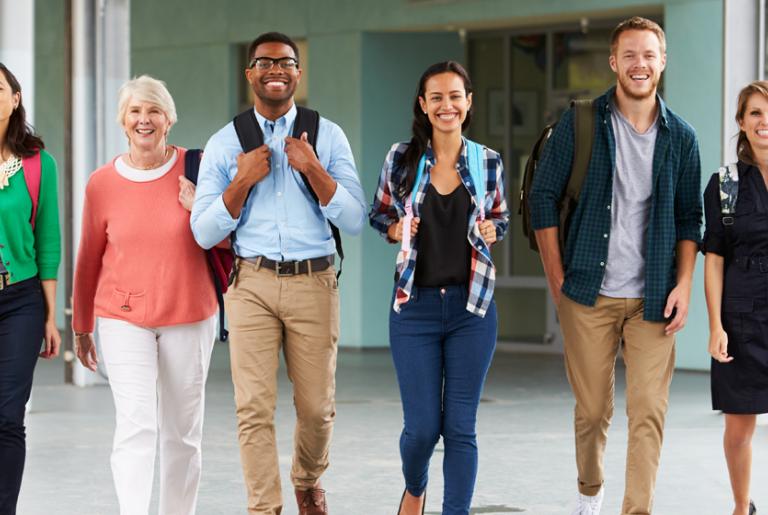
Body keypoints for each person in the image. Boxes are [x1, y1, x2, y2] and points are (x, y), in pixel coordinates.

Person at [529, 16, 701, 515]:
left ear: (662, 62)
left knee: (648, 410)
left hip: (654, 297)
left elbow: (691, 217)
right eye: (629, 55)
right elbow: (542, 199)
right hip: (587, 292)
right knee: (592, 411)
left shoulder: (682, 137)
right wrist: (557, 279)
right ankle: (589, 490)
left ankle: (636, 509)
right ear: (613, 62)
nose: (639, 64)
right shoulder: (581, 121)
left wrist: (684, 286)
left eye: (649, 54)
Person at [190, 32, 366, 515]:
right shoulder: (225, 143)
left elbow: (354, 219)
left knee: (316, 409)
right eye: (265, 62)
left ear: (297, 73)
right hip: (252, 285)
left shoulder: (326, 135)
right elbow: (203, 232)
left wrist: (313, 170)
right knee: (253, 410)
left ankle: (308, 479)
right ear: (249, 73)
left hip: (315, 282)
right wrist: (241, 180)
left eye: (286, 62)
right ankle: (264, 508)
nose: (276, 70)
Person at [72, 75, 218, 515]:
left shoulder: (200, 168)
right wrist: (82, 325)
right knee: (136, 425)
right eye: (135, 111)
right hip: (122, 316)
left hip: (189, 313)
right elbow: (88, 257)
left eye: (153, 110)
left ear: (169, 119)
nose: (144, 119)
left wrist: (200, 208)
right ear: (123, 120)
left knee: (183, 431)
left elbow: (229, 238)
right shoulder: (102, 183)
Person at [369, 61, 510, 515]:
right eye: (437, 97)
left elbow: (501, 216)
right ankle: (415, 487)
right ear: (423, 105)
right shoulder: (401, 158)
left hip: (473, 308)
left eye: (455, 96)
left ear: (468, 102)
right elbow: (380, 215)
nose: (446, 105)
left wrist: (494, 231)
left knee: (461, 428)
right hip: (415, 309)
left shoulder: (487, 161)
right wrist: (397, 232)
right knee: (424, 429)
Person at [702, 80, 768, 515]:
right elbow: (713, 259)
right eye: (756, 114)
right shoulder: (724, 183)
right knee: (740, 425)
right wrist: (716, 327)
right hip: (742, 318)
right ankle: (741, 508)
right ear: (741, 123)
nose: (765, 123)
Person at [0, 62, 61, 515]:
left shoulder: (39, 163)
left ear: (15, 98)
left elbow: (48, 240)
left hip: (20, 300)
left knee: (7, 417)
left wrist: (49, 314)